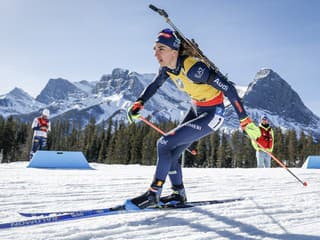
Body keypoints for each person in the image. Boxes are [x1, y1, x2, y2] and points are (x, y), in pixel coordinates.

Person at [125, 28, 260, 209]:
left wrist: (244, 119)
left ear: (174, 51)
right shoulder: (166, 69)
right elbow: (154, 85)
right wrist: (139, 103)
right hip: (196, 109)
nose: (156, 53)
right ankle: (178, 194)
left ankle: (153, 194)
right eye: (155, 49)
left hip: (213, 114)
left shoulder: (195, 69)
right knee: (171, 152)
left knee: (164, 143)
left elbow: (228, 88)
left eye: (161, 49)